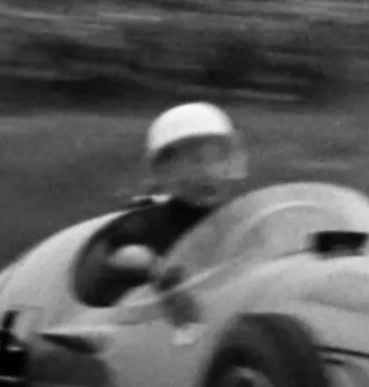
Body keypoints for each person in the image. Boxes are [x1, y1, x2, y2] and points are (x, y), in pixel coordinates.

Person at [75, 101, 249, 302]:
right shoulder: (148, 221)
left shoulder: (240, 218)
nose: (208, 173)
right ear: (165, 172)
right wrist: (155, 268)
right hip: (155, 321)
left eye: (217, 159)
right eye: (191, 163)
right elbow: (123, 253)